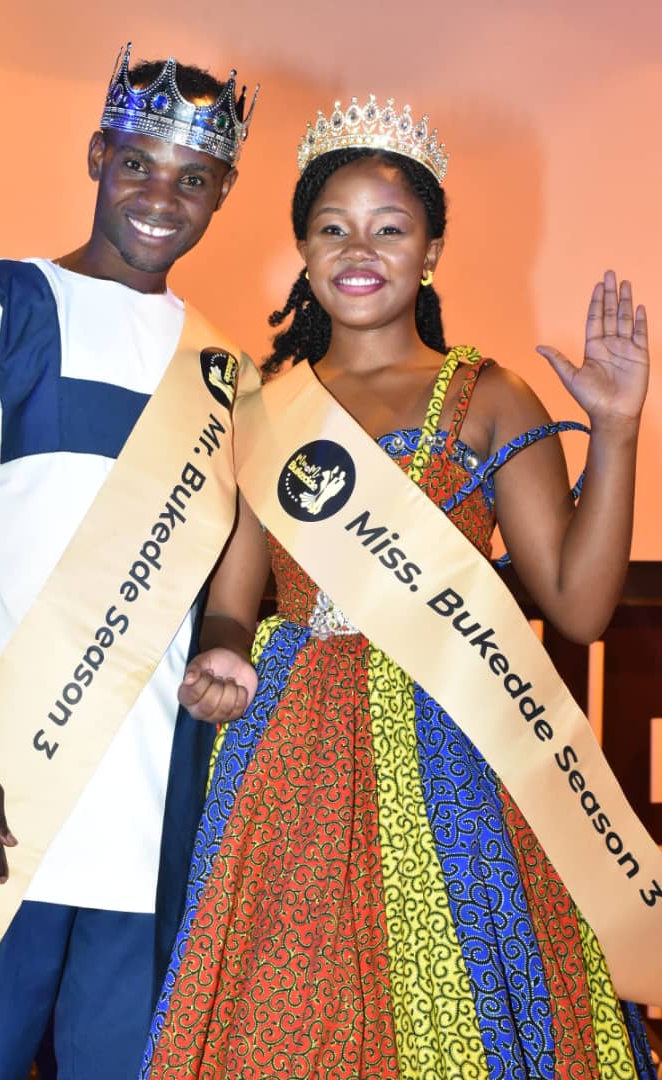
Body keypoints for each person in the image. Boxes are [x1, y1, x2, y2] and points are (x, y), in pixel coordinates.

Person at [142, 97, 657, 1077]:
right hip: (290, 746)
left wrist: (619, 431)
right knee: (286, 999)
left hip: (461, 733)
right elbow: (235, 589)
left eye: (389, 226)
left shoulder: (490, 393)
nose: (357, 247)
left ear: (429, 250)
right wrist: (219, 650)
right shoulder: (268, 405)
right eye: (331, 227)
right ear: (300, 248)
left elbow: (580, 607)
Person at [0, 43, 257, 1080]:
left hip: (144, 811)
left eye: (192, 179)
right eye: (136, 164)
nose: (160, 198)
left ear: (222, 193)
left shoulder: (224, 371)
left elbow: (226, 581)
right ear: (95, 155)